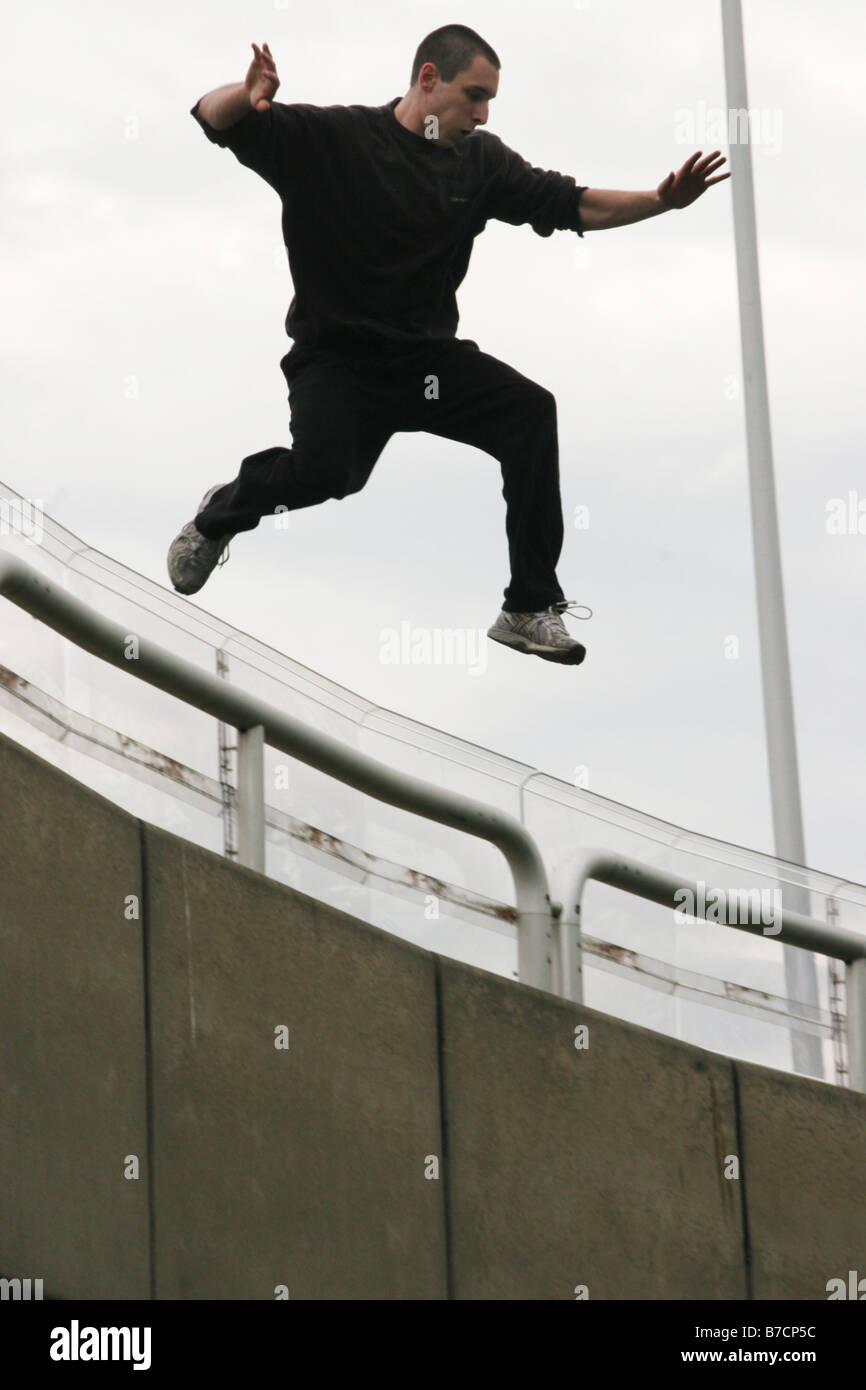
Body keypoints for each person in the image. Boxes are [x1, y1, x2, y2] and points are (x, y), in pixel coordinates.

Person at [168, 25, 729, 665]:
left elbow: (573, 205)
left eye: (491, 101)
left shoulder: (480, 163)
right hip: (337, 364)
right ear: (429, 78)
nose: (483, 114)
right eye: (474, 96)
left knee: (529, 411)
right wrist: (247, 95)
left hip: (425, 365)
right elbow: (213, 118)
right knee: (327, 475)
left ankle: (529, 605)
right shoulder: (335, 141)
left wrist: (662, 201)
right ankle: (219, 515)